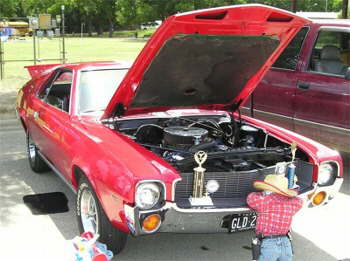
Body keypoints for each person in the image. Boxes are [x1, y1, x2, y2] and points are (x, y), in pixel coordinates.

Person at [247, 174, 303, 261]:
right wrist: (289, 195)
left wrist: (263, 194)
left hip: (269, 243)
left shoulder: (265, 201)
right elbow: (300, 201)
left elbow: (250, 198)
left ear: (268, 191)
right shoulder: (292, 204)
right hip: (286, 242)